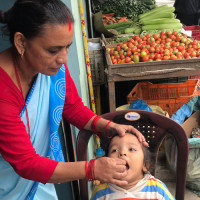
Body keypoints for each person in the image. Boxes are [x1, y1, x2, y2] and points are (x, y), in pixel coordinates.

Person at [0, 0, 148, 199]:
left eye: (67, 47)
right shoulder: (3, 90)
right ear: (21, 42)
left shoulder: (51, 68)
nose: (64, 59)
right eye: (53, 50)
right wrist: (91, 169)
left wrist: (107, 126)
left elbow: (72, 108)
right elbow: (26, 163)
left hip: (35, 184)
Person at [91, 133, 175, 200]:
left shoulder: (157, 190)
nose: (122, 153)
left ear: (145, 165)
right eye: (114, 150)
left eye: (131, 149)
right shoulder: (100, 193)